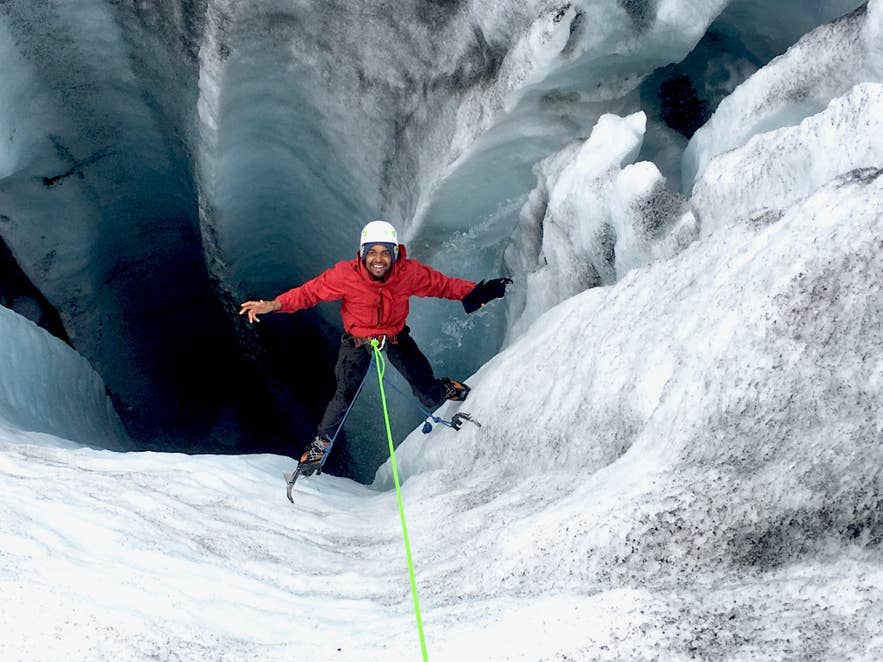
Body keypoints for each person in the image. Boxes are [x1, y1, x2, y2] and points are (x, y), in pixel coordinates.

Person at [239, 220, 511, 474]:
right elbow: (310, 293)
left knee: (428, 393)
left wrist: (475, 292)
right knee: (344, 395)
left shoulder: (407, 273)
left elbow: (440, 285)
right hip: (357, 342)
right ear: (362, 253)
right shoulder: (345, 275)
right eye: (373, 252)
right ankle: (321, 444)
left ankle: (444, 388)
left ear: (394, 254)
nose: (379, 259)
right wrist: (273, 305)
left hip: (395, 338)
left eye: (385, 253)